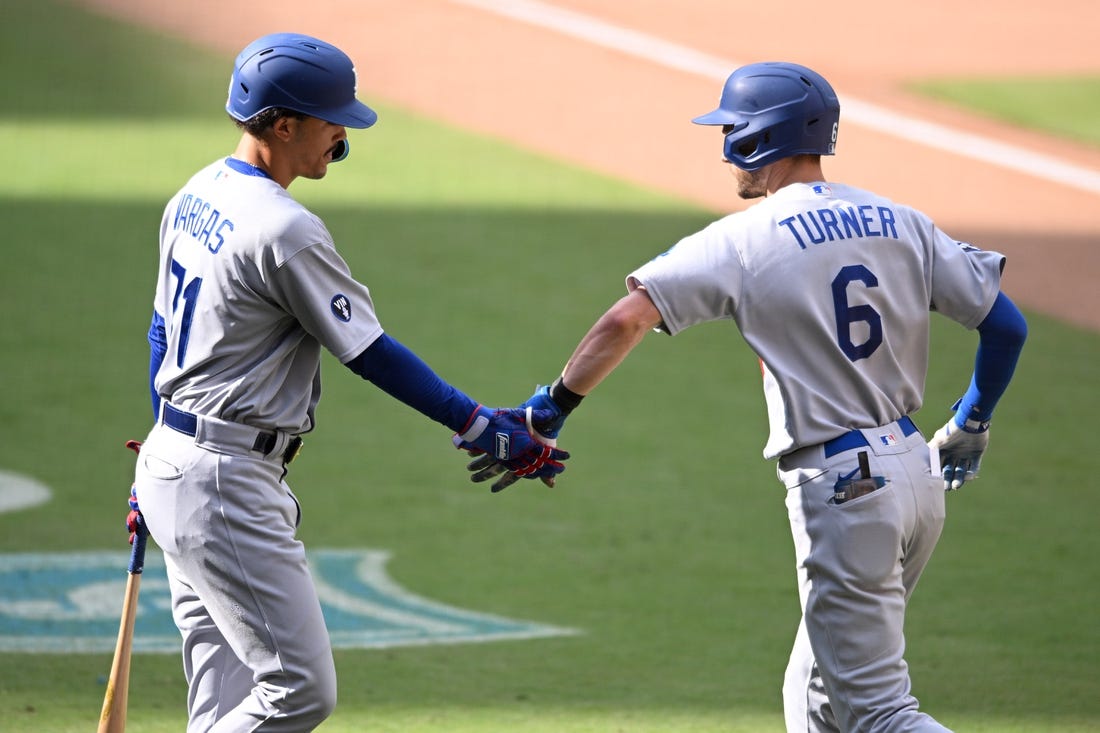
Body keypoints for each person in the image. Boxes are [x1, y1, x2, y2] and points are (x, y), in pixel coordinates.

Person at [474, 62, 1027, 731]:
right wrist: (971, 420)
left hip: (848, 491)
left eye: (731, 127)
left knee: (881, 711)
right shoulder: (900, 220)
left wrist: (549, 408)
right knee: (815, 694)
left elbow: (625, 320)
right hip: (915, 471)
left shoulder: (743, 239)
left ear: (757, 139)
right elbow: (1005, 324)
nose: (724, 141)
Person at [127, 33, 567, 732]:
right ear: (283, 124)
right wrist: (483, 426)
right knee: (299, 690)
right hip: (223, 482)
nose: (343, 132)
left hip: (172, 461)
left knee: (221, 696)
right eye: (331, 119)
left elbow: (159, 335)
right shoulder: (285, 229)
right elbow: (370, 352)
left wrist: (153, 459)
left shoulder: (194, 193)